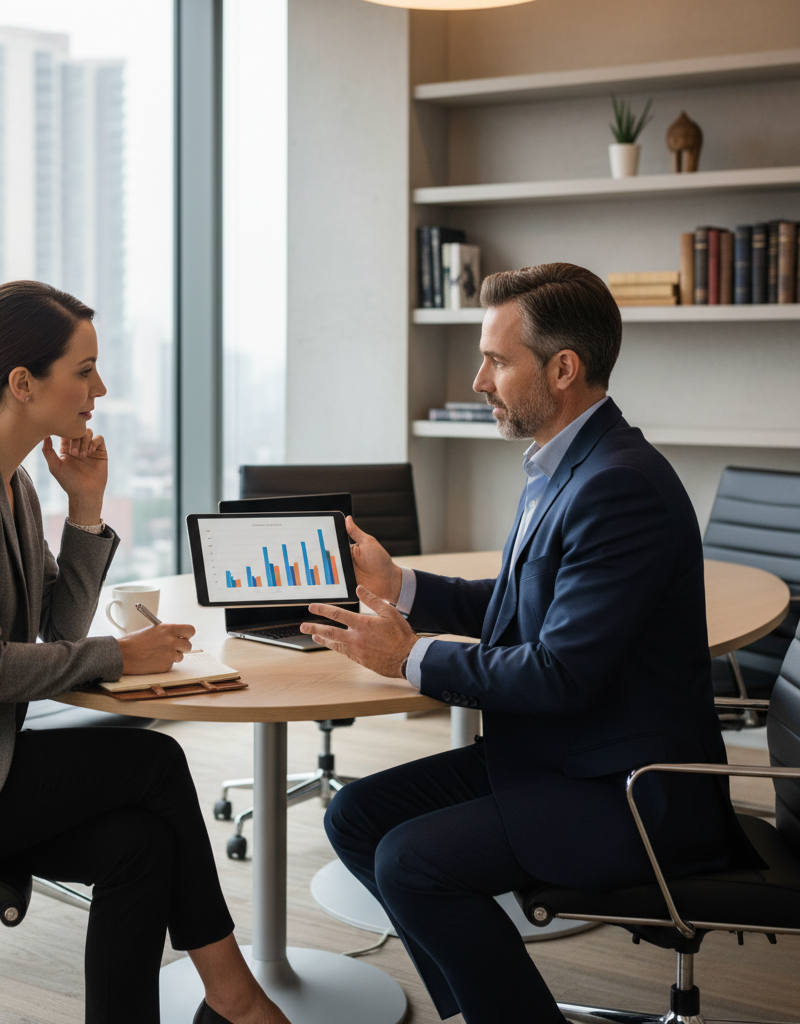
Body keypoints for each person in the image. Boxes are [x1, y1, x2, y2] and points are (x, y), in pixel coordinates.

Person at [0, 280, 289, 1024]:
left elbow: (55, 637)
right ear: (24, 383)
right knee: (153, 762)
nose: (101, 388)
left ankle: (203, 1005)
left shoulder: (13, 484)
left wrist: (87, 509)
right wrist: (120, 656)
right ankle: (234, 997)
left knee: (140, 845)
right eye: (85, 369)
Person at [300, 263, 760, 1024]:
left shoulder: (620, 485)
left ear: (563, 368)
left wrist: (408, 656)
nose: (479, 379)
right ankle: (484, 1011)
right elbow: (520, 608)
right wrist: (403, 583)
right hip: (562, 757)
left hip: (631, 789)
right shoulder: (565, 463)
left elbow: (559, 674)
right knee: (356, 819)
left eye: (496, 359)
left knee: (410, 863)